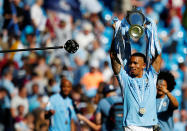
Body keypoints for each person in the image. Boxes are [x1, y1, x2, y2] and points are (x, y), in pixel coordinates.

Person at [110, 22, 162, 130]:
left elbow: (157, 55)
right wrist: (116, 32)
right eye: (130, 63)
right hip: (131, 126)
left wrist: (153, 31)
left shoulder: (151, 77)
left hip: (149, 126)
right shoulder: (125, 79)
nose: (132, 65)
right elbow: (113, 56)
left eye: (135, 63)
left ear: (143, 65)